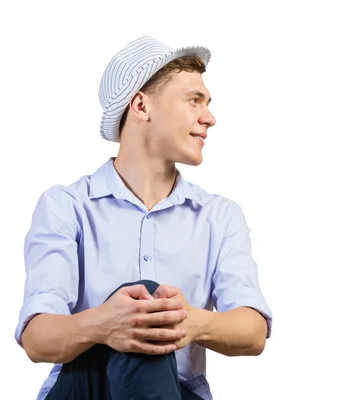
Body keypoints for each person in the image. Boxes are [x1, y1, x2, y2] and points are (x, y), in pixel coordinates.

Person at [14, 34, 273, 400]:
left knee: (147, 307)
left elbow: (253, 331)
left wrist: (188, 321)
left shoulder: (220, 216)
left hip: (177, 391)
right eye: (193, 100)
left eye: (208, 103)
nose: (209, 117)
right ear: (141, 106)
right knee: (143, 300)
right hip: (84, 389)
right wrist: (107, 324)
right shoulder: (66, 206)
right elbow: (37, 338)